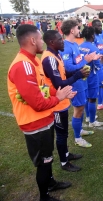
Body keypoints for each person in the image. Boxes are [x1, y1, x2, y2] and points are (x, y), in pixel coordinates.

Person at [7, 24, 74, 201]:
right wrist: (58, 99)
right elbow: (37, 103)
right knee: (44, 162)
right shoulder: (23, 65)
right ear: (32, 40)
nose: (42, 42)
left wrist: (60, 92)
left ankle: (50, 182)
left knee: (48, 157)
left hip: (44, 119)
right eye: (39, 37)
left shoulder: (33, 61)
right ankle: (44, 196)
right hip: (34, 122)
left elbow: (42, 89)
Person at [41, 30, 91, 172]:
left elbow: (64, 74)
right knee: (61, 134)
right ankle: (64, 162)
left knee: (64, 132)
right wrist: (77, 76)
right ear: (51, 42)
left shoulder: (56, 55)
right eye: (59, 40)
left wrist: (78, 73)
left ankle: (67, 154)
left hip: (62, 101)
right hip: (55, 103)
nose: (63, 41)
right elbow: (59, 84)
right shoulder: (49, 58)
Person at [59, 19, 98, 148]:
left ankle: (80, 130)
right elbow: (68, 67)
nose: (79, 30)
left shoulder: (75, 44)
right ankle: (77, 138)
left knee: (82, 107)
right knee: (79, 109)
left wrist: (90, 56)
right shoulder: (65, 47)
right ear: (72, 30)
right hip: (75, 83)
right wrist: (86, 60)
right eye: (77, 28)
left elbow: (79, 59)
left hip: (82, 81)